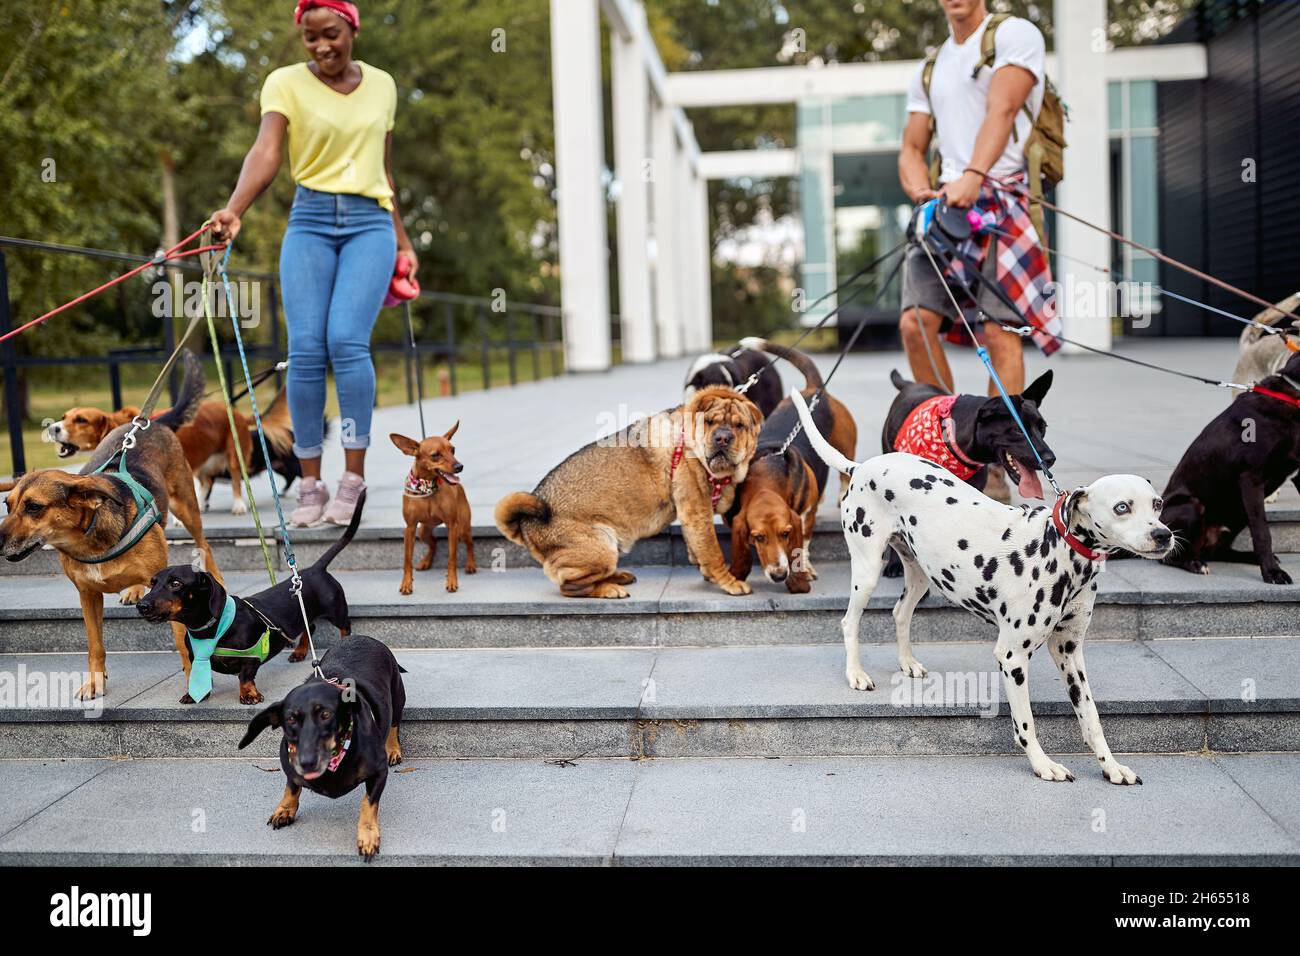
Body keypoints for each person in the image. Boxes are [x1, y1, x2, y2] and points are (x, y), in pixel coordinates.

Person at [209, 0, 418, 526]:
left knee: (346, 342)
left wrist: (403, 241)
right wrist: (234, 210)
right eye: (310, 38)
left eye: (331, 34)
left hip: (370, 223)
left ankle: (352, 480)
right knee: (305, 350)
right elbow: (266, 151)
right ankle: (310, 484)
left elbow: (384, 171)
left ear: (352, 28)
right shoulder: (284, 83)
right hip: (310, 221)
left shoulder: (383, 85)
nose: (322, 46)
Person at [897, 0, 1057, 501]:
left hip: (1002, 199)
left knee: (1000, 334)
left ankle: (998, 468)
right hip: (945, 209)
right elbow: (910, 148)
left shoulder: (1014, 35)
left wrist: (974, 174)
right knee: (913, 322)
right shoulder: (931, 67)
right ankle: (953, 441)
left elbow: (1004, 109)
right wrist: (922, 189)